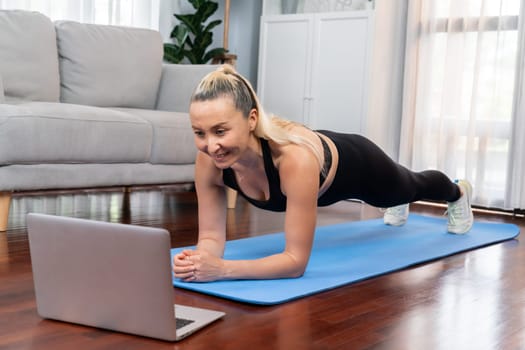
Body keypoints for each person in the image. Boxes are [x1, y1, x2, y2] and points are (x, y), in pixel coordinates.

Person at [172, 65, 474, 283]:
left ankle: (457, 192)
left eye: (220, 131)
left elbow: (294, 262)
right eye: (200, 133)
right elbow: (211, 236)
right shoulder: (209, 160)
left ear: (252, 119)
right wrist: (201, 260)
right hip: (320, 153)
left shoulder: (293, 160)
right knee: (400, 193)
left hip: (358, 164)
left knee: (409, 186)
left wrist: (223, 270)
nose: (211, 146)